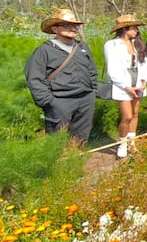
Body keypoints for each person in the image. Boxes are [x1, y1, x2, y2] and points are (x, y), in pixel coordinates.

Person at [25, 8, 98, 145]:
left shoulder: (82, 47)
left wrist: (92, 93)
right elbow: (35, 79)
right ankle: (59, 165)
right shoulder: (44, 51)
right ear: (55, 29)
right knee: (56, 143)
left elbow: (92, 71)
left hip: (85, 100)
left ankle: (75, 162)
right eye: (67, 25)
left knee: (80, 140)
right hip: (60, 102)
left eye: (75, 25)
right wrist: (51, 102)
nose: (73, 28)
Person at [104, 14, 147, 158]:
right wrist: (125, 86)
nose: (136, 31)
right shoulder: (112, 45)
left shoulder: (137, 43)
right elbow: (112, 69)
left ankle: (132, 141)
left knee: (135, 114)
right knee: (127, 116)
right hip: (123, 84)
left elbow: (143, 63)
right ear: (124, 29)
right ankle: (122, 142)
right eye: (133, 28)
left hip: (137, 81)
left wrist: (143, 81)